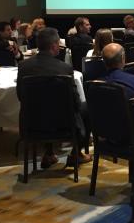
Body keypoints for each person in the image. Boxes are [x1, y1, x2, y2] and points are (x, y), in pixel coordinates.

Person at [16, 27, 91, 168]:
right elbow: (74, 102)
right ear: (54, 46)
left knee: (44, 106)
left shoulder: (24, 67)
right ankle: (76, 153)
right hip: (63, 124)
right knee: (86, 108)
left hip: (32, 123)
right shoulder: (64, 68)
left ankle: (49, 154)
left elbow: (21, 96)